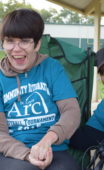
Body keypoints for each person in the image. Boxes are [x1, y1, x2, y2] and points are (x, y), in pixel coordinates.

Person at [0, 8, 81, 170]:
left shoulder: (52, 68)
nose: (16, 49)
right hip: (13, 152)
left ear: (37, 44)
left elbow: (71, 111)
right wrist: (26, 154)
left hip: (53, 148)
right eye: (9, 41)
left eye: (24, 41)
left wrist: (47, 141)